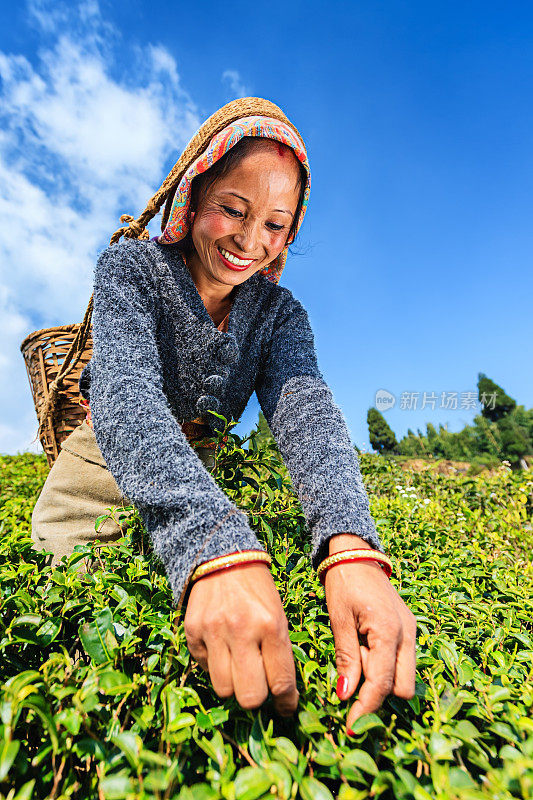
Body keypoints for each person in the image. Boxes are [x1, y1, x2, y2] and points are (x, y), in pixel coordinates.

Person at [32, 97, 416, 734]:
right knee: (83, 620)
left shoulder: (277, 316)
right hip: (101, 467)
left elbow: (308, 414)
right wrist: (214, 545)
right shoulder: (135, 268)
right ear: (192, 196)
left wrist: (350, 546)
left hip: (198, 476)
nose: (248, 240)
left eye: (274, 224)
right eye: (232, 209)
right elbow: (126, 393)